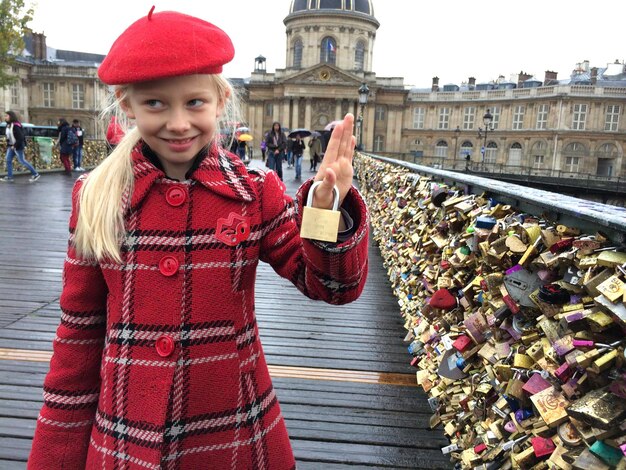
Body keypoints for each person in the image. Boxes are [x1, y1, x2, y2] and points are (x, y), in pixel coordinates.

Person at [28, 8, 368, 470]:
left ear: (220, 98)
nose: (178, 123)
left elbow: (331, 286)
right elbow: (77, 337)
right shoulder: (97, 196)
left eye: (194, 103)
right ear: (126, 105)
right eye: (155, 104)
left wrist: (325, 209)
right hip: (128, 434)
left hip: (232, 431)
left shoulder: (253, 190)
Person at [1, 110, 40, 182]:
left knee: (22, 161)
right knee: (8, 160)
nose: (5, 117)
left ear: (11, 117)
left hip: (17, 146)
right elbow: (9, 136)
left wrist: (14, 145)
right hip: (11, 145)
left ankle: (35, 174)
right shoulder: (9, 125)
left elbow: (21, 137)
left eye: (6, 116)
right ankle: (10, 177)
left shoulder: (16, 125)